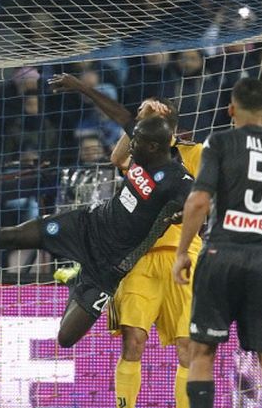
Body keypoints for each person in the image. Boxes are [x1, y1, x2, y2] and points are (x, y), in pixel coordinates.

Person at [0, 116, 194, 350]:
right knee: (11, 235)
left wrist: (187, 216)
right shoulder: (141, 155)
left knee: (65, 338)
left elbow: (201, 204)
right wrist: (81, 87)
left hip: (108, 268)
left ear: (156, 145)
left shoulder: (178, 180)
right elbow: (123, 125)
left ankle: (75, 277)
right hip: (86, 225)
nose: (132, 143)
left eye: (138, 139)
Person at [49, 72, 203, 408]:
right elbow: (117, 159)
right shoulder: (144, 153)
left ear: (173, 127)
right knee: (133, 341)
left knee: (188, 347)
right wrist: (140, 123)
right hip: (141, 258)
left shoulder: (195, 154)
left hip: (185, 257)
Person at [172, 77, 262, 408]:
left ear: (230, 109)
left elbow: (197, 202)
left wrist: (182, 253)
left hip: (219, 255)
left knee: (202, 353)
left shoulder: (220, 143)